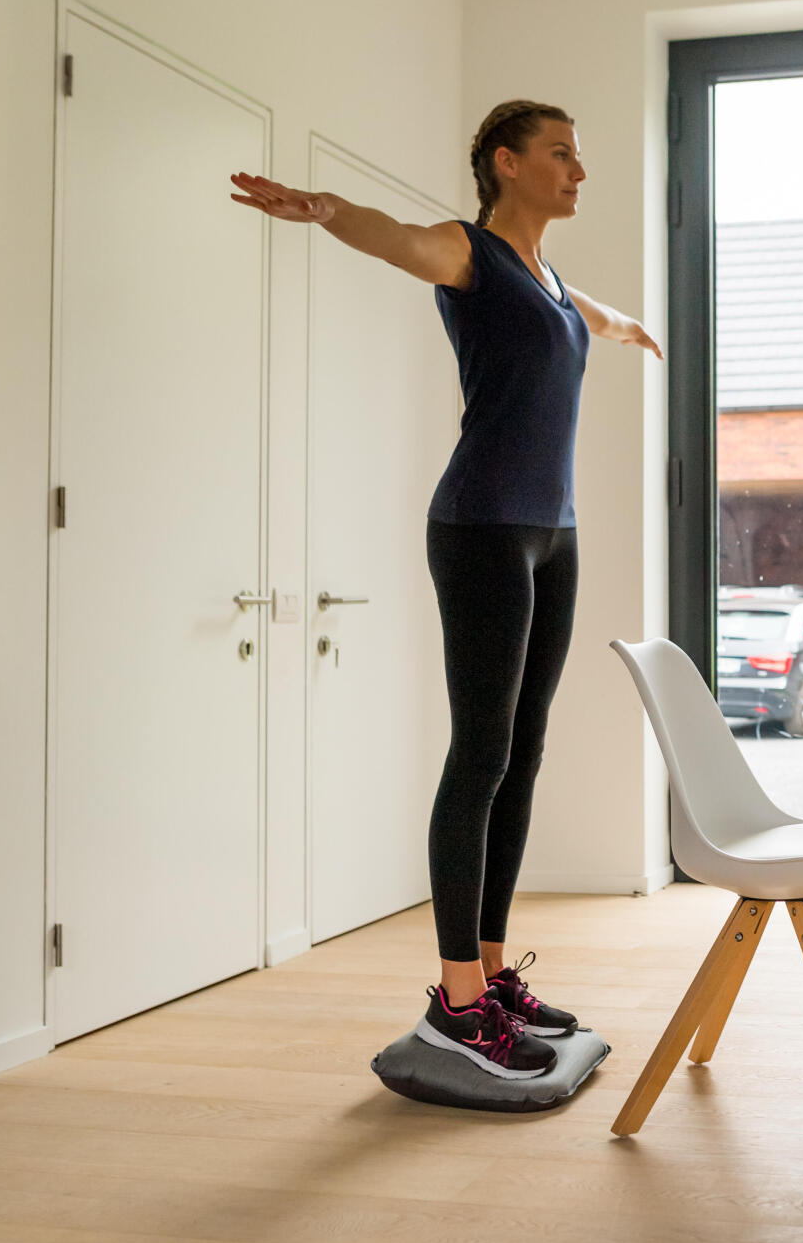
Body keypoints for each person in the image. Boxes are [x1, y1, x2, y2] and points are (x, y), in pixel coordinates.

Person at [231, 101, 662, 1079]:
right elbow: (394, 240)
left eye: (579, 159)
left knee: (526, 750)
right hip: (480, 529)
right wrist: (321, 207)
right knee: (480, 756)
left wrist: (627, 326)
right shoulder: (467, 254)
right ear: (506, 163)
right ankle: (457, 1000)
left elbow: (585, 315)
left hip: (554, 534)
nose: (578, 173)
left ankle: (497, 973)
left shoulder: (551, 280)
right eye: (562, 155)